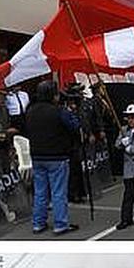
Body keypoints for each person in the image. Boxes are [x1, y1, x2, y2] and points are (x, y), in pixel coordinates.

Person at [26, 79, 80, 235]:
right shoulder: (59, 111)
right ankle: (60, 224)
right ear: (53, 95)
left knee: (40, 192)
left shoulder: (31, 110)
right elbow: (74, 126)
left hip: (37, 155)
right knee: (58, 192)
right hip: (57, 156)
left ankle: (38, 223)